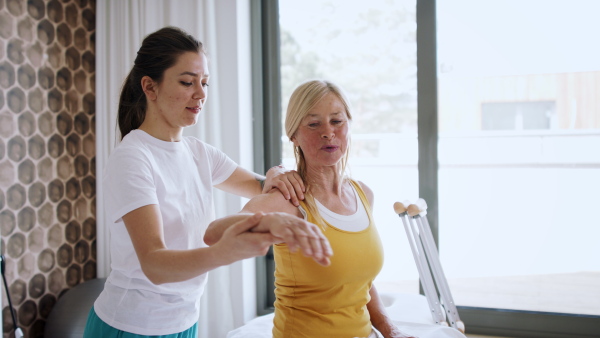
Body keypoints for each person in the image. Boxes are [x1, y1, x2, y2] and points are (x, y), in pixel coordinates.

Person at [83, 27, 332, 338]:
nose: (200, 94)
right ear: (150, 86)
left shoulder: (198, 152)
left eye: (204, 83)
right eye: (187, 82)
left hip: (184, 322)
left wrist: (276, 173)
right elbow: (154, 264)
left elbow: (261, 185)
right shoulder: (133, 158)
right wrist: (224, 251)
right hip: (132, 326)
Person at [206, 80, 416, 338]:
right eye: (314, 124)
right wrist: (270, 223)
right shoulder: (288, 200)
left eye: (337, 121)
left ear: (349, 125)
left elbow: (360, 283)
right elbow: (214, 235)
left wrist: (389, 330)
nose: (328, 132)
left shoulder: (363, 194)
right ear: (294, 135)